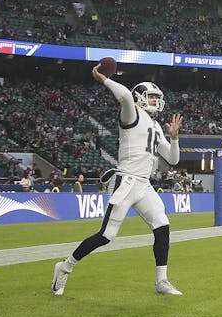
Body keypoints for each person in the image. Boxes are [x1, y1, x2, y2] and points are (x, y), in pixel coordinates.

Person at [52, 64, 183, 296]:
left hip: (144, 184)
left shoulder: (155, 125)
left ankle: (161, 280)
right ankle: (64, 267)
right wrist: (103, 78)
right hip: (126, 181)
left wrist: (174, 139)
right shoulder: (131, 113)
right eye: (151, 97)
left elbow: (172, 160)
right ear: (140, 97)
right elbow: (123, 95)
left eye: (156, 97)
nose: (155, 101)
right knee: (106, 235)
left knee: (162, 226)